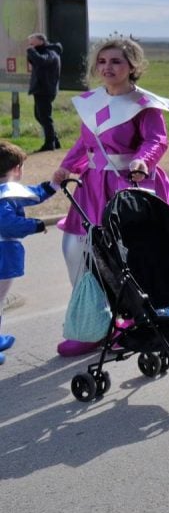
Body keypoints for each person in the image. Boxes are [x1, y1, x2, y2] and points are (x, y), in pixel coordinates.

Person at [50, 37, 169, 356]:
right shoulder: (91, 102)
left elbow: (156, 141)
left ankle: (136, 318)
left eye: (116, 62)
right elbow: (85, 144)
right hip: (92, 185)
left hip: (128, 185)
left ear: (132, 67)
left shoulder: (145, 105)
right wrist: (67, 167)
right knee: (74, 249)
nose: (107, 67)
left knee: (126, 257)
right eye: (103, 61)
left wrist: (143, 160)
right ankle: (94, 323)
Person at [0, 141, 55, 364]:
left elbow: (31, 194)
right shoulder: (5, 193)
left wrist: (53, 186)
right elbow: (6, 223)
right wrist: (35, 225)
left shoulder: (6, 190)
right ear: (16, 169)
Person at [26, 32, 63, 152]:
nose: (30, 44)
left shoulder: (51, 52)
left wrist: (31, 51)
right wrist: (32, 53)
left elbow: (41, 61)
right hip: (41, 89)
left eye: (33, 41)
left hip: (45, 90)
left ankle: (49, 144)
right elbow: (35, 62)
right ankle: (54, 140)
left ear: (41, 41)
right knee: (39, 115)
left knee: (45, 117)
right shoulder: (44, 51)